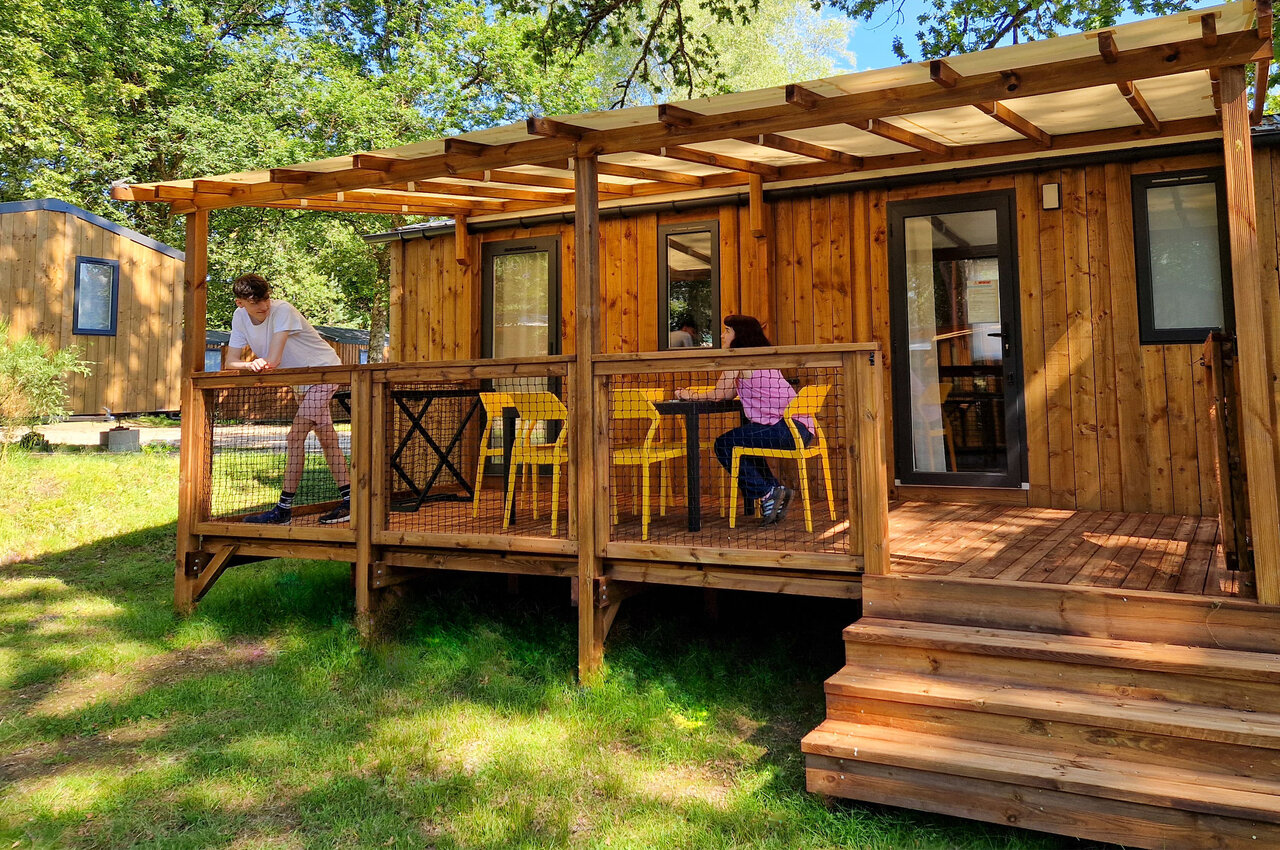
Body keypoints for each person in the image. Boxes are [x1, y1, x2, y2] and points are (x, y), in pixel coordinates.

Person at [225, 273, 351, 524]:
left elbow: (273, 361)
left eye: (266, 299)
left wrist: (259, 363)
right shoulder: (239, 318)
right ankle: (351, 502)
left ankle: (283, 510)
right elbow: (230, 362)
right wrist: (249, 365)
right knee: (328, 441)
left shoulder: (283, 310)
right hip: (301, 381)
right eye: (255, 303)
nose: (263, 306)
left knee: (294, 437)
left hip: (325, 372)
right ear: (240, 303)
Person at [675, 315, 812, 525]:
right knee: (744, 441)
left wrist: (688, 395)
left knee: (724, 444)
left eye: (727, 330)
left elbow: (719, 394)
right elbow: (728, 394)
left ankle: (767, 493)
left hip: (784, 431)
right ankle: (774, 492)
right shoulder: (762, 357)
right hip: (802, 430)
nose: (722, 334)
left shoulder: (739, 358)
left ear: (739, 335)